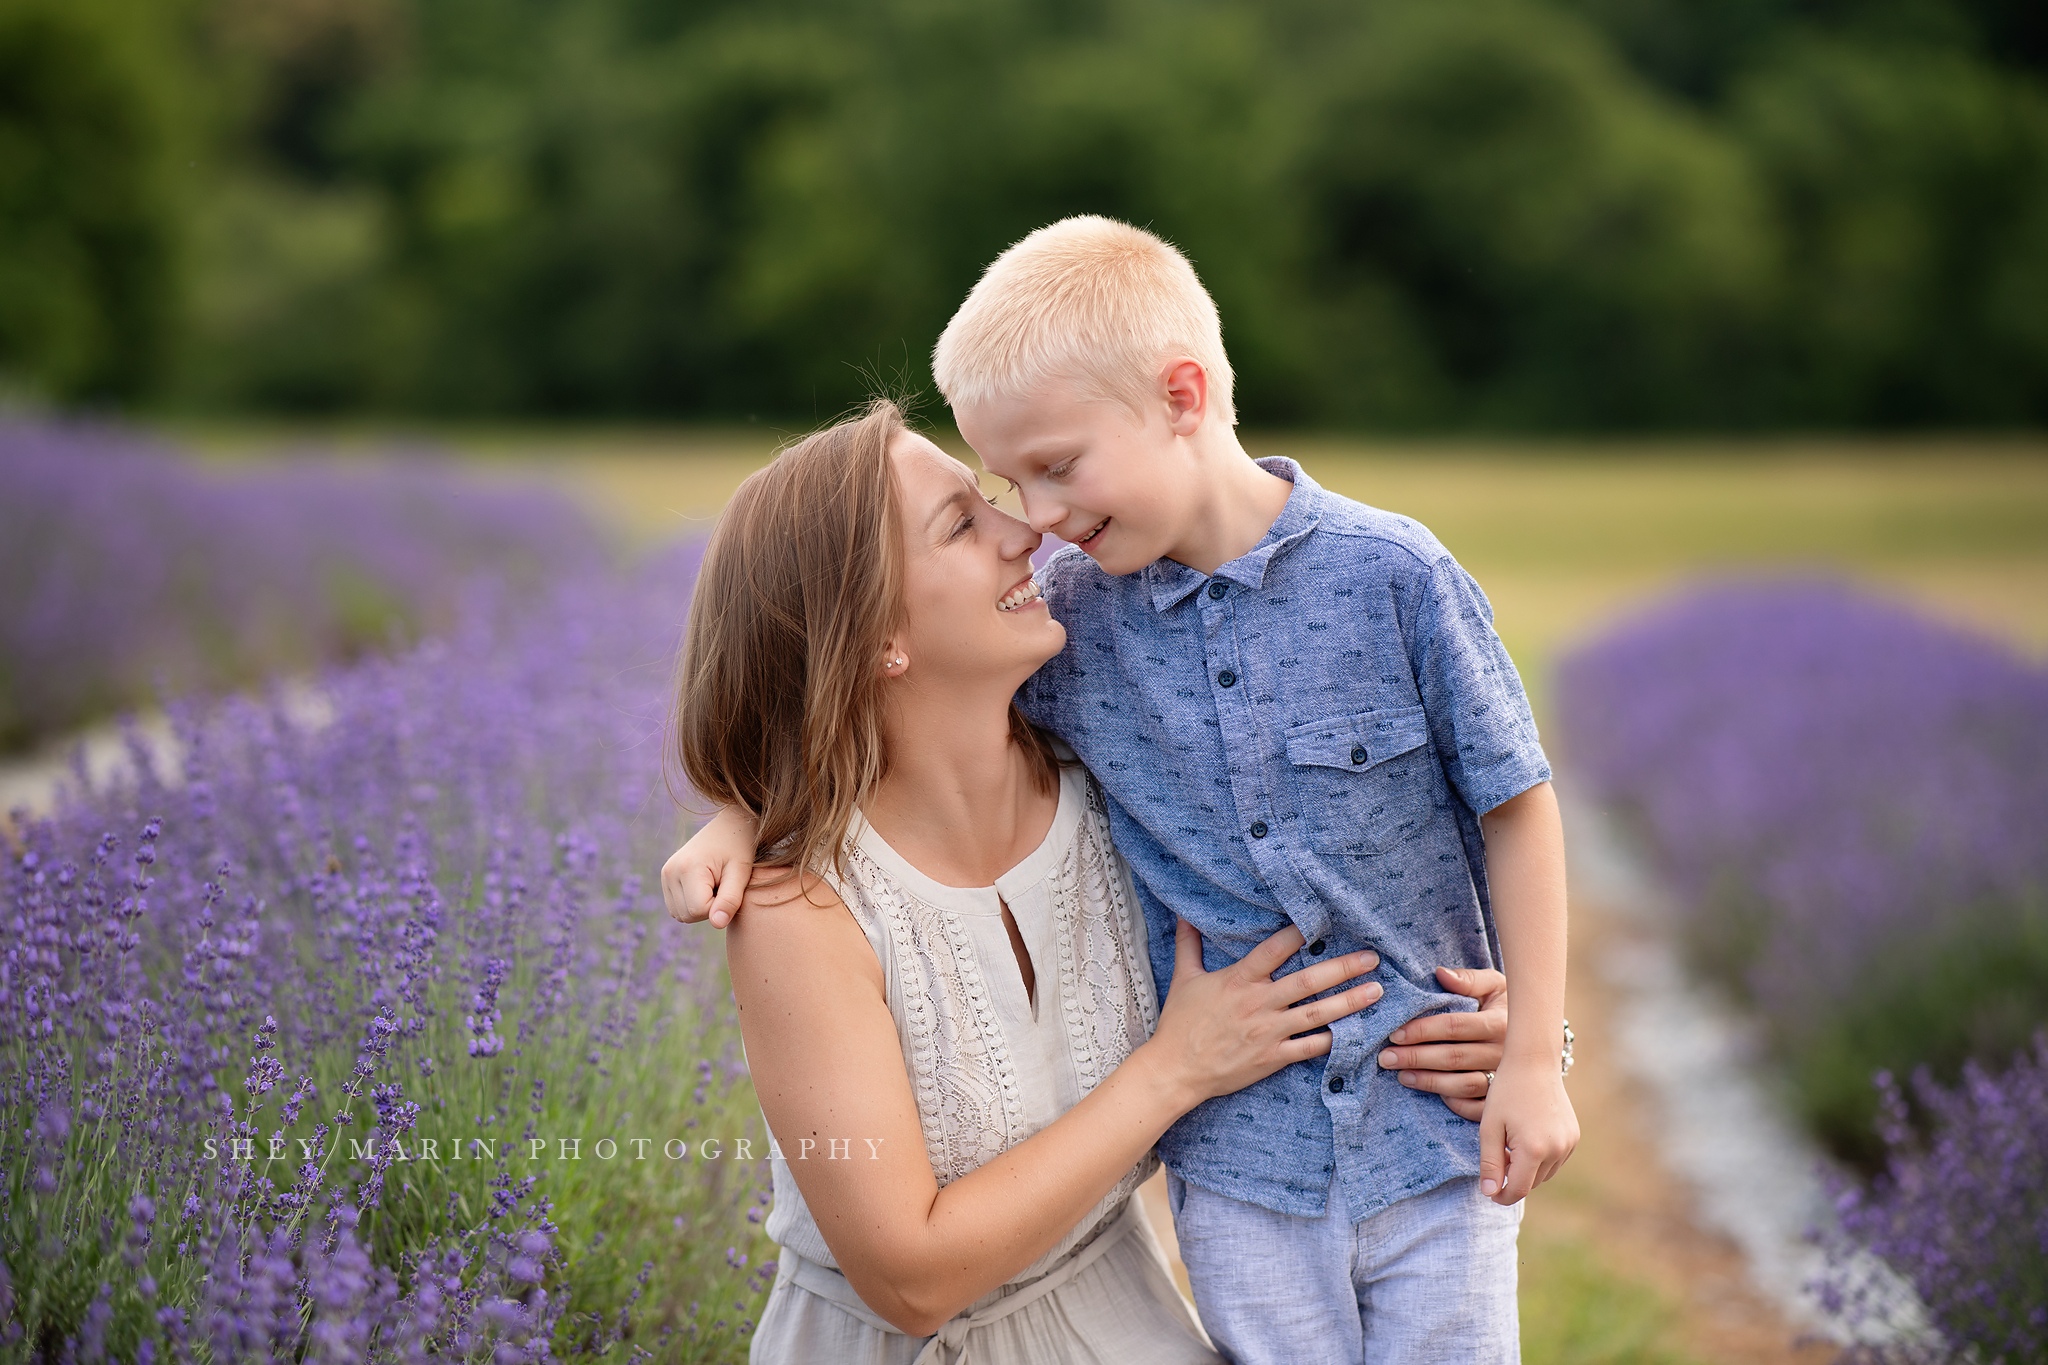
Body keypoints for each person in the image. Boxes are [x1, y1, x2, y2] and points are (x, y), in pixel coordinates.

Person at [672, 214, 1575, 1364]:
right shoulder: (1064, 657)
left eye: (1046, 475)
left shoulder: (1353, 600)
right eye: (984, 502)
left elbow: (1485, 809)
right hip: (1167, 1218)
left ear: (1183, 396)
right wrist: (746, 814)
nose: (1030, 525)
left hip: (1303, 1219)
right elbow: (844, 718)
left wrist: (1530, 1043)